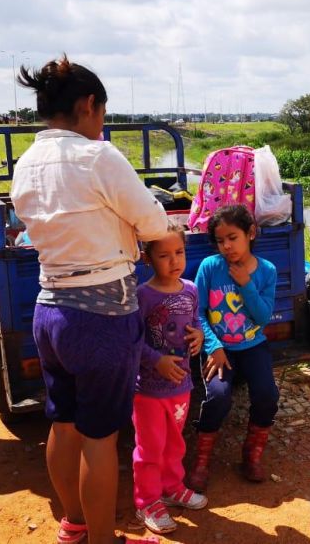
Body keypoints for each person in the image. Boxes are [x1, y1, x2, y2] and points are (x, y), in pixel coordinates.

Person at [10, 55, 168, 544]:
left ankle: (75, 524)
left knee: (63, 424)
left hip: (49, 310)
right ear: (87, 104)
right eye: (102, 112)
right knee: (100, 438)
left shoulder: (26, 163)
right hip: (101, 315)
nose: (101, 123)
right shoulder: (98, 156)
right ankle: (102, 539)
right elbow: (153, 223)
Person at [188, 204, 279, 492]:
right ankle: (201, 462)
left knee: (267, 395)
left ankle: (251, 456)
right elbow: (197, 313)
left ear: (250, 233)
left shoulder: (267, 271)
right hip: (219, 349)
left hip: (253, 345)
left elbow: (263, 317)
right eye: (220, 240)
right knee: (218, 397)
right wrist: (213, 346)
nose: (226, 246)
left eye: (232, 237)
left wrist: (246, 284)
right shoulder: (210, 267)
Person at [132, 227, 208, 535]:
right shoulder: (143, 295)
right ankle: (147, 501)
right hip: (148, 391)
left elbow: (196, 320)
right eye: (164, 255)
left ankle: (172, 488)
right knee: (150, 448)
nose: (174, 261)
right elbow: (132, 340)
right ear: (147, 258)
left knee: (174, 443)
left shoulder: (190, 289)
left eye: (179, 252)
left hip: (181, 387)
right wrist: (156, 361)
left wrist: (200, 335)